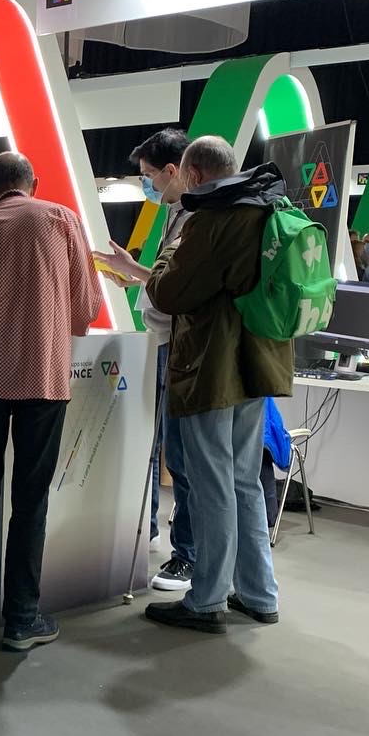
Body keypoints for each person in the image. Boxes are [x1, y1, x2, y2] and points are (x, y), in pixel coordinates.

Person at [100, 136, 291, 635]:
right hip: (256, 364)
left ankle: (207, 599)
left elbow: (168, 291)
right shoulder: (266, 206)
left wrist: (155, 271)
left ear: (194, 174)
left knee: (211, 485)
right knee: (244, 481)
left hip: (211, 366)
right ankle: (259, 593)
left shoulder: (213, 218)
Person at [0, 151, 100, 651]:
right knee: (31, 499)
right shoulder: (62, 220)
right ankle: (21, 618)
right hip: (42, 375)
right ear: (33, 182)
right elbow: (86, 308)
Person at [129, 128, 197, 593]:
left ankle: (187, 556)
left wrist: (144, 279)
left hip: (183, 347)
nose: (147, 186)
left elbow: (179, 290)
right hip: (161, 342)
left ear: (174, 171)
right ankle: (151, 529)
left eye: (149, 176)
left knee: (184, 457)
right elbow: (164, 281)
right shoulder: (175, 215)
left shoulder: (197, 220)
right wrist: (134, 273)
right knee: (156, 444)